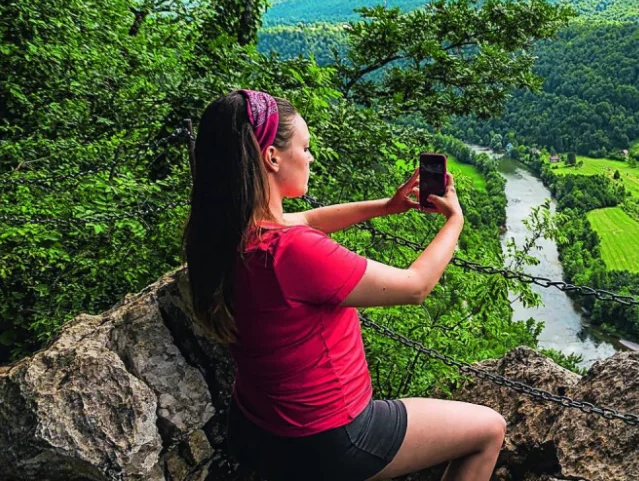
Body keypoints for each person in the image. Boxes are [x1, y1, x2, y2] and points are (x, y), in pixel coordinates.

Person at [183, 90, 505, 481]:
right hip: (331, 439)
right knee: (489, 429)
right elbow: (415, 286)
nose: (310, 157)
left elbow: (308, 219)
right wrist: (455, 221)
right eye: (305, 147)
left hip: (256, 426)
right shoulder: (289, 252)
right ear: (271, 157)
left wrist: (387, 205)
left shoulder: (225, 233)